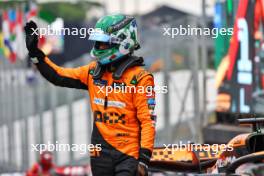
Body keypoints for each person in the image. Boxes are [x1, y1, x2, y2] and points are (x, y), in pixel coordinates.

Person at [24, 14, 157, 176]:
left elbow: (148, 121)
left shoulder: (141, 78)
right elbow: (58, 75)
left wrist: (144, 159)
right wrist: (35, 54)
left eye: (104, 43)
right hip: (99, 153)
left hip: (128, 154)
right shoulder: (93, 71)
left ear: (123, 42)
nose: (99, 47)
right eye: (98, 42)